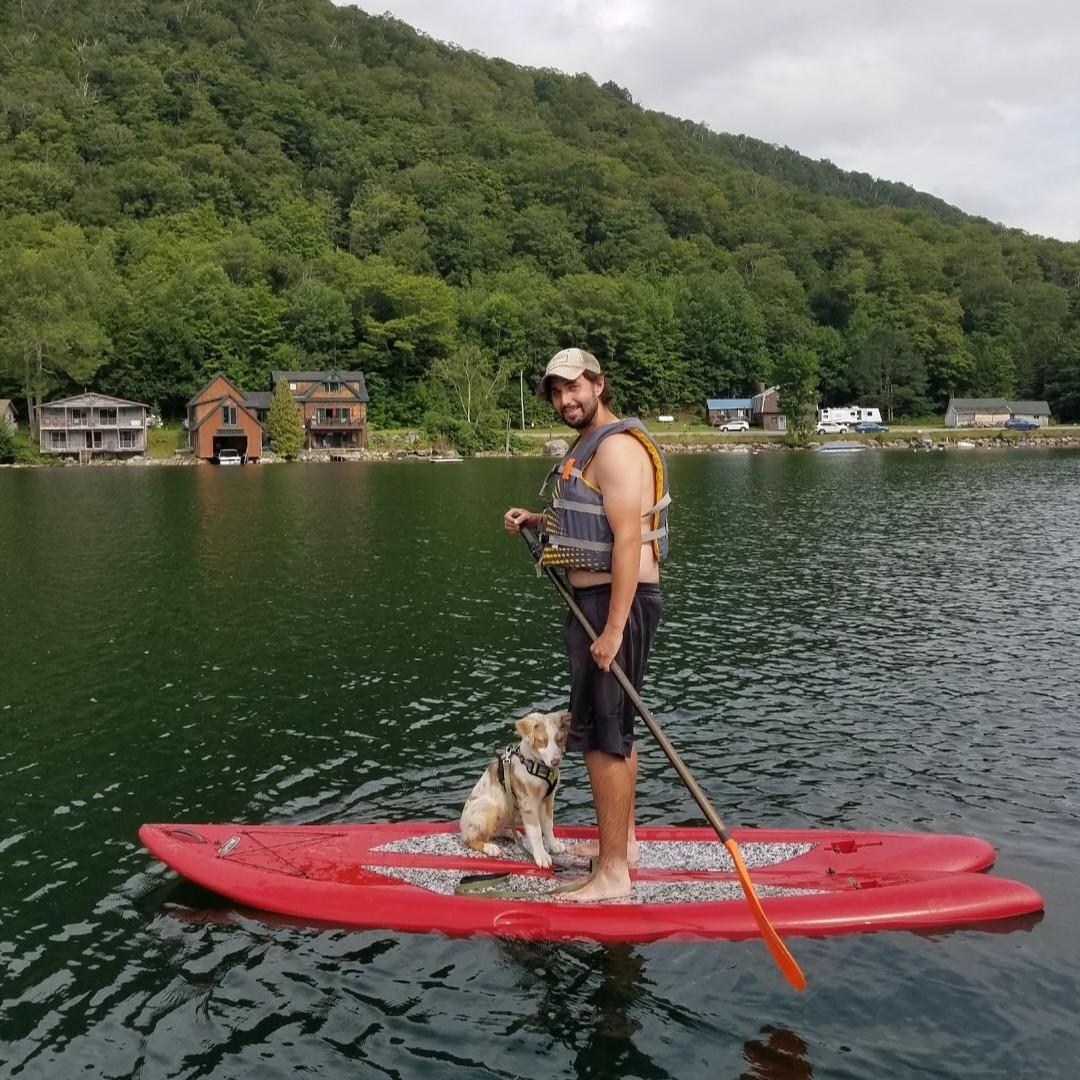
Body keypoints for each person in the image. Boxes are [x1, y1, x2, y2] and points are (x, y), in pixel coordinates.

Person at [503, 348, 669, 901]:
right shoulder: (588, 447)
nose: (565, 399)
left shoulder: (618, 448)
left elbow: (626, 539)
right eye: (555, 391)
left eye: (574, 387)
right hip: (596, 606)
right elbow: (584, 518)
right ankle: (626, 845)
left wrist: (614, 629)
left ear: (599, 384)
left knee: (602, 741)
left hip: (612, 608)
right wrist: (534, 520)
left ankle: (613, 875)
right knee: (614, 732)